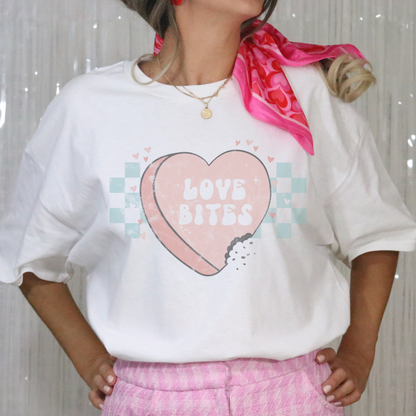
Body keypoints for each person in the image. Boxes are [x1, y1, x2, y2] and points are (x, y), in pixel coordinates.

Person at [1, 0, 416, 415]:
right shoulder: (89, 108)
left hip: (292, 395)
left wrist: (360, 352)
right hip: (152, 399)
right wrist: (89, 357)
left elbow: (375, 230)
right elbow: (30, 253)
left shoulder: (299, 94)